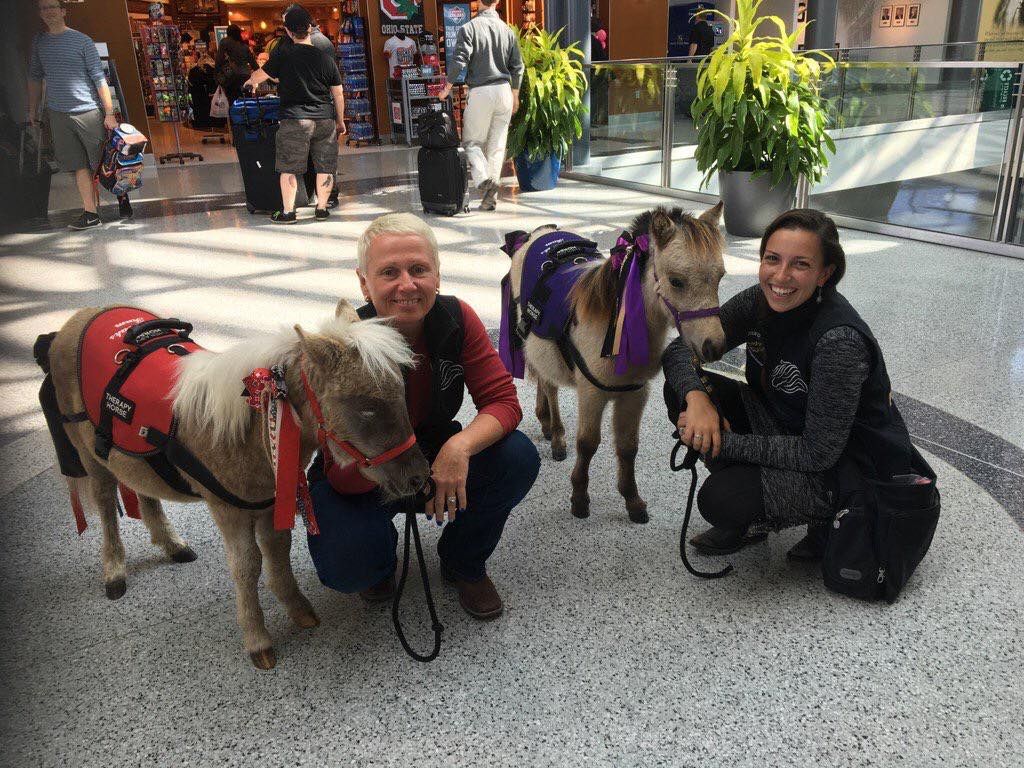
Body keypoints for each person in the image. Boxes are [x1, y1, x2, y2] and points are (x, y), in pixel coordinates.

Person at [306, 213, 540, 619]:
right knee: (348, 569)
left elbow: (504, 401)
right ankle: (377, 559)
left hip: (429, 448)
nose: (407, 285)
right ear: (364, 282)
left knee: (517, 458)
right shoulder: (343, 346)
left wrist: (459, 447)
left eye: (419, 270)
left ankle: (462, 559)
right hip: (363, 468)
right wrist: (388, 471)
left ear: (437, 275)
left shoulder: (456, 318)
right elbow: (338, 468)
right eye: (389, 272)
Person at [662, 209, 918, 562]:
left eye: (800, 264)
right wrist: (697, 400)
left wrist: (720, 441)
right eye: (772, 259)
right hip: (784, 423)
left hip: (842, 469)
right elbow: (678, 350)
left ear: (824, 273)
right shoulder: (761, 300)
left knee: (720, 499)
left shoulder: (837, 341)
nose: (780, 276)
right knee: (684, 389)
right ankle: (761, 507)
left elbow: (818, 453)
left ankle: (825, 519)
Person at [27, 0, 131, 229]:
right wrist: (32, 111)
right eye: (43, 8)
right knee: (78, 165)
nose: (48, 12)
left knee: (104, 163)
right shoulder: (39, 43)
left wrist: (109, 112)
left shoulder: (82, 41)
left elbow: (98, 77)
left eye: (52, 7)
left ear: (63, 11)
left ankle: (122, 197)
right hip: (58, 114)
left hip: (89, 112)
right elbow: (34, 77)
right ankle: (90, 213)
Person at [243, 5, 344, 223]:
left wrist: (250, 81)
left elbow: (259, 76)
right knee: (325, 165)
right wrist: (340, 120)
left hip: (294, 119)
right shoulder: (325, 58)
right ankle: (322, 209)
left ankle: (288, 213)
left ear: (288, 32)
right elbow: (338, 93)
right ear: (309, 28)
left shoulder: (284, 55)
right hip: (324, 119)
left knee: (289, 168)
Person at [437, 0, 524, 212]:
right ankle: (490, 196)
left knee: (472, 143)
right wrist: (515, 95)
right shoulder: (507, 30)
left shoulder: (469, 28)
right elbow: (518, 66)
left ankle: (484, 179)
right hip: (504, 89)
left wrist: (446, 88)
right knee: (497, 145)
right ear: (497, 2)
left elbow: (459, 60)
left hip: (481, 90)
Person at [215, 24, 256, 104]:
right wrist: (261, 73)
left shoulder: (224, 42)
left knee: (233, 101)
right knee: (247, 101)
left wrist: (216, 75)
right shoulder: (244, 45)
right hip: (245, 76)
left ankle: (235, 115)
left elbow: (219, 60)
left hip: (231, 77)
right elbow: (252, 62)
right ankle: (246, 115)